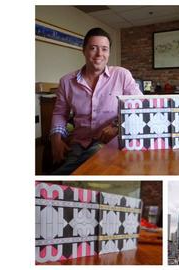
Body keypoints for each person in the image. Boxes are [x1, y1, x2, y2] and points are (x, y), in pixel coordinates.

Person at [50, 27, 142, 175]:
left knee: (87, 165)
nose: (99, 54)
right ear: (84, 50)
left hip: (108, 142)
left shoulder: (121, 75)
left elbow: (140, 107)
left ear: (109, 53)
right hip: (79, 142)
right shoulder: (66, 81)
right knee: (76, 167)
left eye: (104, 49)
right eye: (93, 48)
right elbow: (60, 113)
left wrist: (117, 126)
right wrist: (56, 139)